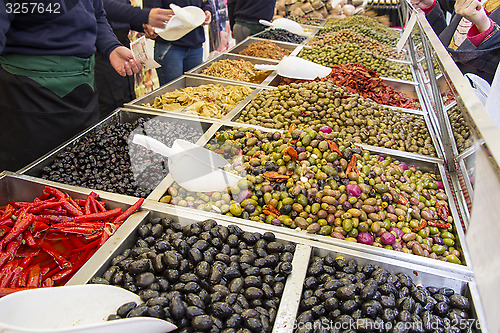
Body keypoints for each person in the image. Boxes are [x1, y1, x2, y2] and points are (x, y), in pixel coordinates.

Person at [0, 0, 142, 172]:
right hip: (28, 96)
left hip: (83, 90)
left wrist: (111, 46)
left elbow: (97, 14)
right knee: (33, 179)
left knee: (82, 168)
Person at [95, 0, 173, 118]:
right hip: (100, 53)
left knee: (127, 99)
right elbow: (99, 10)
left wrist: (142, 25)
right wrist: (143, 15)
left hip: (119, 45)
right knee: (110, 107)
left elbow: (121, 13)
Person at [412, 0, 500, 83]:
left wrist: (485, 26)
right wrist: (430, 8)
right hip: (445, 86)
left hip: (474, 93)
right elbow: (453, 45)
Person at [143, 0, 213, 85]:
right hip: (169, 45)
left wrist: (207, 11)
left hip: (195, 44)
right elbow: (151, 11)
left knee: (197, 92)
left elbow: (205, 3)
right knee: (172, 93)